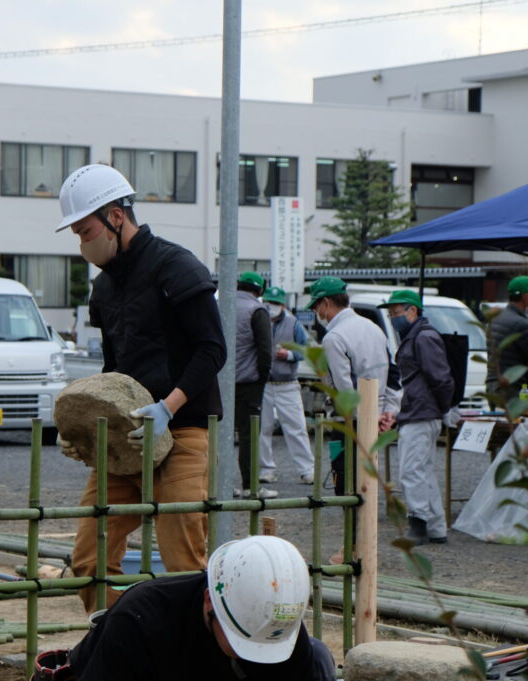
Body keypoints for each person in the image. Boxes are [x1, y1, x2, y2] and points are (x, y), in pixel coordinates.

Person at [54, 164, 226, 614]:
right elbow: (113, 369)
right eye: (75, 234)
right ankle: (115, 640)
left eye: (85, 230)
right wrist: (84, 432)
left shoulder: (177, 266)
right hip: (125, 436)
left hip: (184, 430)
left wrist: (168, 407)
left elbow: (212, 350)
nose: (82, 243)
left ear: (115, 216)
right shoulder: (103, 288)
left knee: (183, 558)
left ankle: (193, 653)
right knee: (89, 553)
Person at [66, 535, 337, 681]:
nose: (253, 656)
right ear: (210, 600)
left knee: (318, 655)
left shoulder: (275, 625)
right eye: (240, 641)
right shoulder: (141, 621)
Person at [306, 276, 400, 563]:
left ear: (325, 303)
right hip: (376, 417)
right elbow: (393, 373)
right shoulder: (373, 329)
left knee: (343, 483)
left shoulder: (334, 337)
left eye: (316, 307)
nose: (317, 314)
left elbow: (342, 388)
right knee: (367, 483)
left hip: (349, 423)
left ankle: (352, 548)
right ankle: (365, 545)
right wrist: (388, 412)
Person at [378, 290, 454, 545]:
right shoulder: (419, 336)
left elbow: (440, 377)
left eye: (396, 313)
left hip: (422, 412)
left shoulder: (422, 337)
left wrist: (444, 408)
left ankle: (419, 523)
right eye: (390, 314)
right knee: (423, 471)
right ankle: (435, 528)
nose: (393, 318)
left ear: (413, 311)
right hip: (421, 410)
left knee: (412, 471)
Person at [257, 286, 315, 485]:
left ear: (282, 305)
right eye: (268, 302)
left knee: (296, 427)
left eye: (274, 303)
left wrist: (290, 355)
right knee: (262, 429)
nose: (270, 306)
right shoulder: (258, 319)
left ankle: (307, 470)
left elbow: (306, 349)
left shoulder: (293, 323)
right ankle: (265, 470)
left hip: (287, 383)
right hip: (263, 383)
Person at [233, 271, 275, 499]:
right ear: (259, 290)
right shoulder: (257, 310)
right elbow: (265, 352)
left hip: (221, 382)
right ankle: (250, 486)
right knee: (249, 435)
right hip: (249, 383)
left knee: (219, 435)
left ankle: (218, 486)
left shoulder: (221, 306)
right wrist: (262, 377)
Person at [486, 275, 528, 404]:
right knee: (514, 423)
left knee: (496, 422)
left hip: (492, 385)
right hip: (512, 388)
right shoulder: (520, 323)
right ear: (525, 296)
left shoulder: (496, 319)